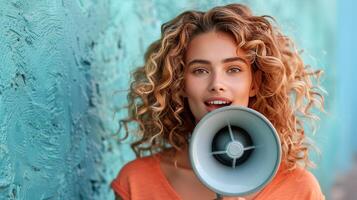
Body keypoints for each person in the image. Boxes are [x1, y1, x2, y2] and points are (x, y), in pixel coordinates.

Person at [111, 3, 325, 200]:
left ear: (254, 84)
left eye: (233, 69)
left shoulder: (299, 189)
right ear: (181, 85)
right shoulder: (137, 182)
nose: (216, 84)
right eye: (200, 70)